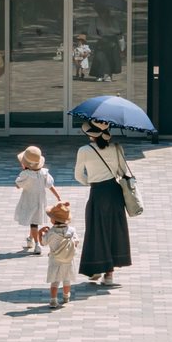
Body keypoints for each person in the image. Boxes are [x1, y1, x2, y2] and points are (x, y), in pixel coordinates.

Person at [74, 116, 133, 285]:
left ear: (91, 134)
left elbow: (78, 175)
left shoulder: (84, 150)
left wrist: (90, 182)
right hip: (114, 192)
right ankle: (109, 275)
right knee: (114, 230)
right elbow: (122, 171)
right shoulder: (116, 148)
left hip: (98, 192)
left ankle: (95, 268)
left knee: (96, 230)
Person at [13, 144, 55, 250]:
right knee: (34, 222)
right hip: (40, 201)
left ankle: (37, 244)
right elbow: (50, 185)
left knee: (33, 223)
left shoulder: (26, 174)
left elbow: (18, 185)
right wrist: (58, 196)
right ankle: (30, 239)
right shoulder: (44, 173)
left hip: (29, 201)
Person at [45, 199, 78, 306]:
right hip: (68, 258)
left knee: (55, 281)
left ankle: (53, 300)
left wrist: (42, 233)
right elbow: (76, 242)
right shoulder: (71, 230)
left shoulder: (51, 232)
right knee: (66, 279)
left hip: (55, 258)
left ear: (53, 220)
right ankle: (66, 296)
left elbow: (43, 242)